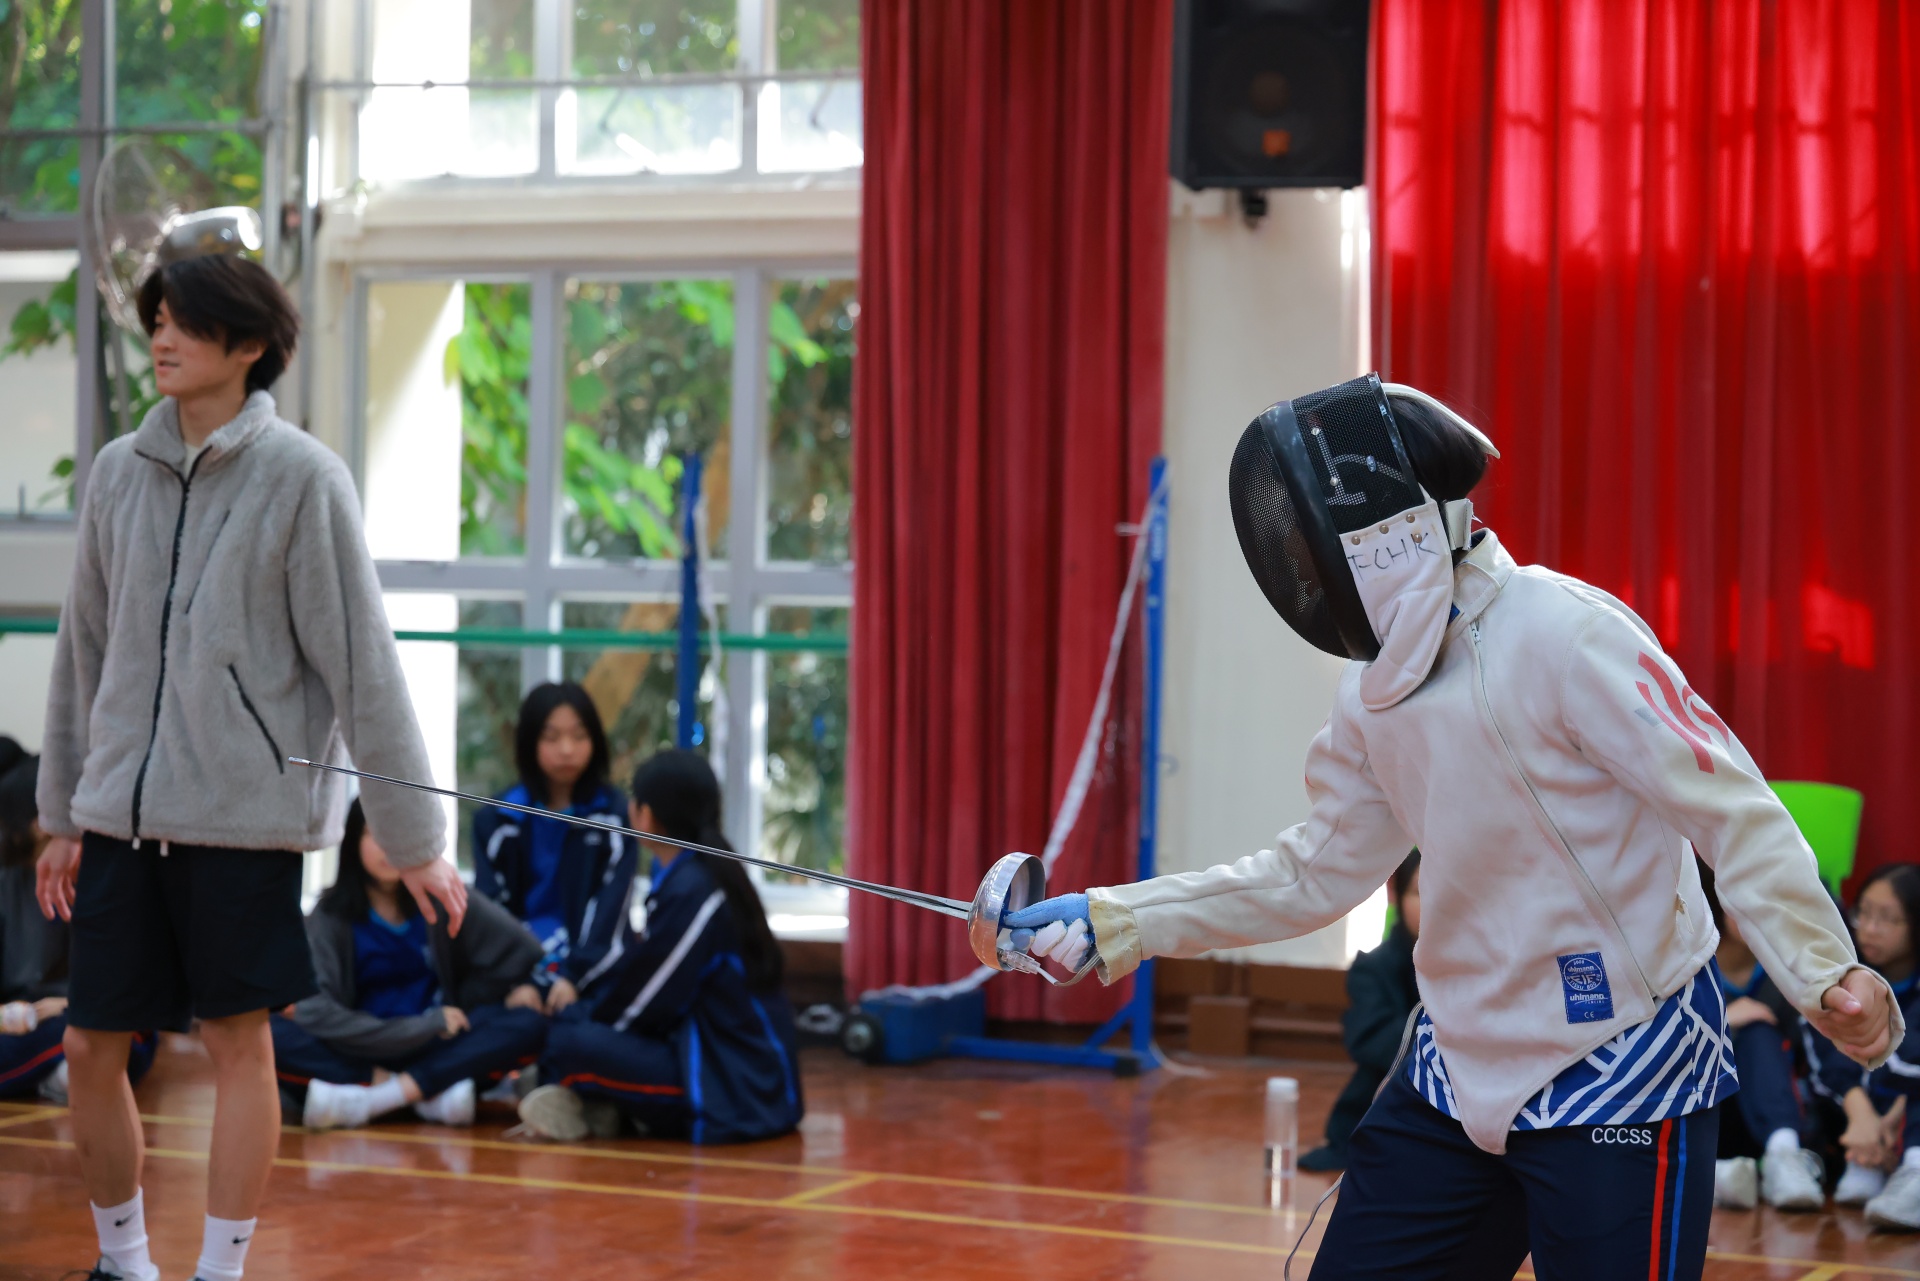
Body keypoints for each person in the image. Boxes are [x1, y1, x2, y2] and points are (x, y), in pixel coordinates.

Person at [1004, 376, 1899, 1281]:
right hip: (1459, 1067)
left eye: (1313, 551)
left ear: (1380, 536)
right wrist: (1119, 919)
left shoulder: (1565, 632)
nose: (1303, 574)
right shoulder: (1369, 696)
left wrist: (1823, 969)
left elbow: (1730, 805)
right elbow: (1310, 871)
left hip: (1624, 1058)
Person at [33, 252, 464, 1281]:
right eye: (158, 320)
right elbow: (83, 652)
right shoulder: (117, 474)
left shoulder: (305, 479)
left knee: (239, 1048)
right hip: (121, 819)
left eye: (186, 323)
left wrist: (412, 839)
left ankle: (219, 1271)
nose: (162, 338)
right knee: (89, 1045)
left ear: (251, 345)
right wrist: (62, 811)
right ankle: (124, 1264)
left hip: (243, 823)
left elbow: (362, 667)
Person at [517, 750, 803, 1145]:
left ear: (644, 815)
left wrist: (583, 1026)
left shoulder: (696, 889)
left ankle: (584, 1091)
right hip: (729, 1067)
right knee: (580, 1025)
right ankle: (598, 1099)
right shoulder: (696, 873)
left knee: (569, 1041)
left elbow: (646, 1000)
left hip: (739, 1091)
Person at [271, 800, 548, 1130]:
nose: (388, 846)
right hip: (360, 1047)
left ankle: (380, 1097)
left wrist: (518, 987)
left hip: (437, 1044)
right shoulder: (329, 916)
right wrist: (421, 1028)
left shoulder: (442, 898)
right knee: (269, 1033)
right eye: (375, 833)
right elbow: (316, 1011)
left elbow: (523, 950)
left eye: (399, 833)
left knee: (528, 1020)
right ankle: (422, 1093)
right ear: (353, 842)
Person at [0, 745, 156, 1105]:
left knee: (93, 1037)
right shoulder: (9, 885)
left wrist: (67, 1003)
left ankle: (59, 1072)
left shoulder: (113, 878)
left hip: (86, 1014)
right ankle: (53, 1074)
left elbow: (135, 984)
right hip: (25, 1017)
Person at [473, 683, 635, 1014]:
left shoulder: (615, 817)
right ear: (529, 742)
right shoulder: (497, 819)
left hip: (592, 975)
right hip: (517, 977)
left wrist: (573, 978)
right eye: (551, 737)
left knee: (577, 1031)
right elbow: (490, 908)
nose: (567, 749)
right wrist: (516, 983)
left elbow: (610, 909)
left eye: (579, 736)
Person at [1699, 861, 1826, 1212]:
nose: (1755, 913)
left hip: (1773, 1111)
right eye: (1742, 901)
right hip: (1706, 1112)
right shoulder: (1689, 962)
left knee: (1759, 1033)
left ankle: (1782, 1156)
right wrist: (1723, 1020)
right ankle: (1717, 1173)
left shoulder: (1791, 963)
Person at [1299, 851, 1421, 1173]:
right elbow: (1370, 1041)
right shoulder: (1374, 967)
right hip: (1388, 1100)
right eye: (1419, 893)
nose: (1431, 906)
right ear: (1398, 897)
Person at [1836, 862, 1920, 1229]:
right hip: (1853, 1114)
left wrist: (1899, 1111)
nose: (1869, 929)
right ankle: (1863, 1156)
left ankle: (1914, 1170)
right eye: (1864, 913)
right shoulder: (1841, 970)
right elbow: (1825, 1054)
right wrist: (1861, 1116)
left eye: (1887, 919)